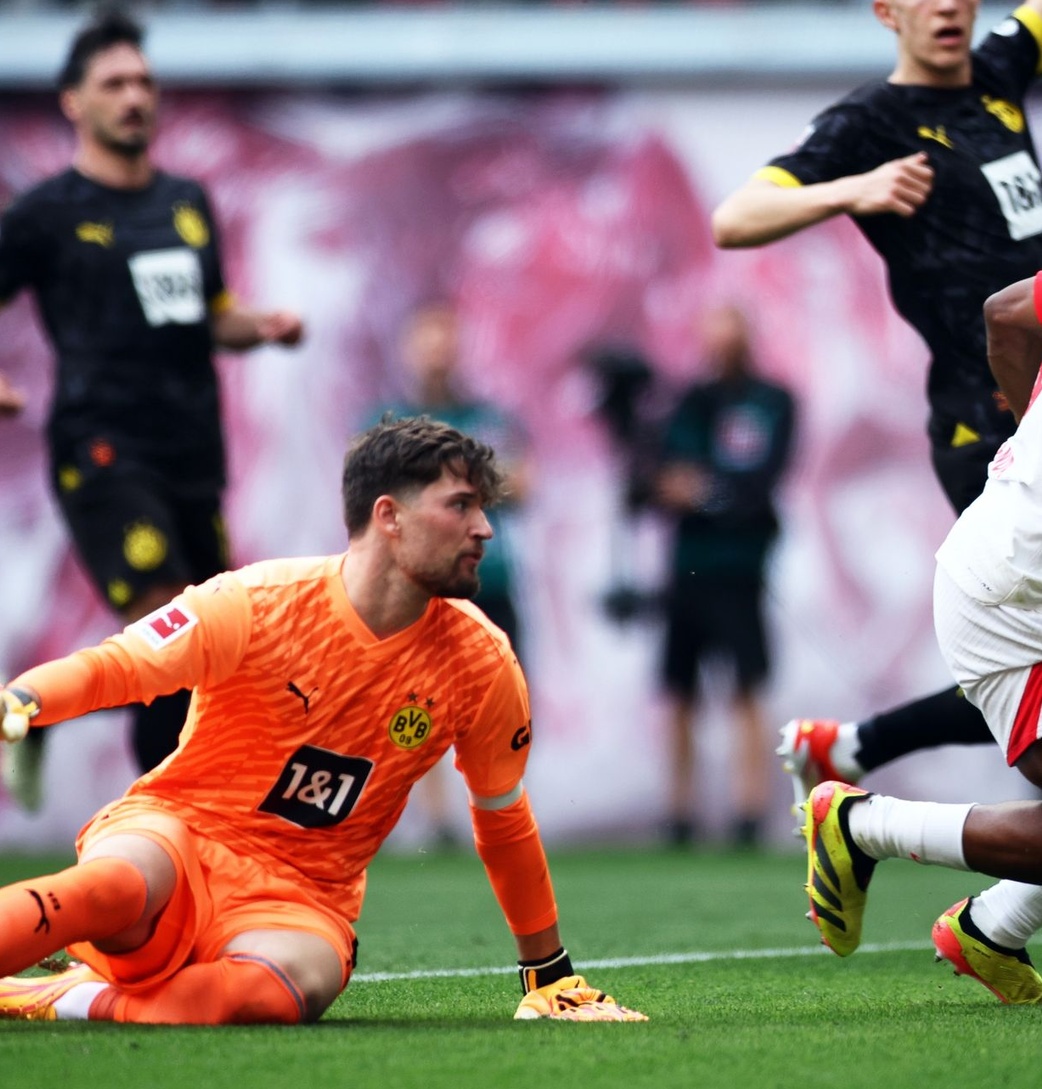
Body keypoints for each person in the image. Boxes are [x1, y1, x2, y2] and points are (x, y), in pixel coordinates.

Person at [709, 0, 1042, 951]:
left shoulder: (998, 75)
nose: (949, 2)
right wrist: (853, 189)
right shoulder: (870, 123)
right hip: (988, 430)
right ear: (887, 9)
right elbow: (734, 217)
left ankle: (862, 756)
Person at [0, 416, 646, 1024]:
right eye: (461, 505)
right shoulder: (256, 600)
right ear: (388, 516)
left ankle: (68, 996)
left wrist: (548, 975)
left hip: (300, 898)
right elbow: (115, 666)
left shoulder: (483, 660)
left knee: (280, 992)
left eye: (483, 508)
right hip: (179, 832)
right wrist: (22, 700)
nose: (485, 529)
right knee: (114, 886)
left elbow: (503, 817)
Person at [802, 130, 1042, 1005]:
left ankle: (987, 930)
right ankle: (862, 822)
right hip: (1019, 592)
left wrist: (1032, 434)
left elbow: (1007, 312)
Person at [0, 7, 303, 794]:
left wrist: (259, 327)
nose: (135, 97)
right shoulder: (45, 213)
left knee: (207, 646)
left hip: (193, 450)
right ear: (74, 101)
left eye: (143, 81)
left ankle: (44, 706)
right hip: (103, 445)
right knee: (172, 625)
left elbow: (210, 315)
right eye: (114, 83)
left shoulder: (186, 201)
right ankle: (168, 816)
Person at [365, 303, 532, 846]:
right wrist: (469, 484)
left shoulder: (488, 418)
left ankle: (497, 807)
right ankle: (437, 819)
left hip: (488, 578)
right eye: (428, 342)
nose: (438, 353)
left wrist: (436, 490)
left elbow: (524, 483)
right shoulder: (386, 424)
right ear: (409, 351)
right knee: (417, 699)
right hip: (418, 583)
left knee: (499, 700)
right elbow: (372, 495)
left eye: (446, 341)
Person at [655, 305, 795, 848]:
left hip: (741, 565)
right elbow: (664, 477)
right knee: (680, 690)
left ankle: (749, 809)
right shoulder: (689, 400)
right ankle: (679, 812)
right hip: (688, 564)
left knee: (747, 686)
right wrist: (715, 491)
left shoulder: (772, 401)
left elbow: (760, 480)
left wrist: (707, 492)